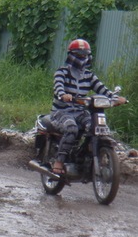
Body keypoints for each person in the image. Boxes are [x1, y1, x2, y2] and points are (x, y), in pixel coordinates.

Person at [49, 38, 126, 175]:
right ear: (71, 55)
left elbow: (102, 89)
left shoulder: (89, 75)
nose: (82, 58)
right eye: (79, 55)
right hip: (61, 112)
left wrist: (115, 98)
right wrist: (63, 95)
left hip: (80, 111)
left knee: (97, 128)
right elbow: (58, 87)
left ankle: (86, 156)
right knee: (72, 128)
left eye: (85, 55)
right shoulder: (62, 72)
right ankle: (59, 160)